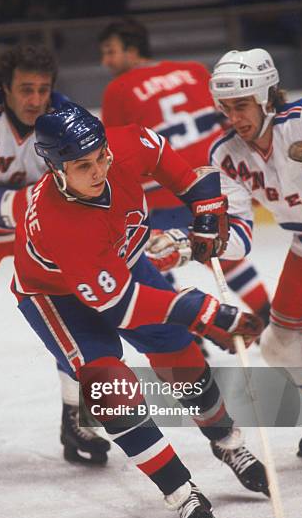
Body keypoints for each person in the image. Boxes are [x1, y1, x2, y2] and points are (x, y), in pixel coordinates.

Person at [11, 101, 269, 518]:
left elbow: (176, 167)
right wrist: (203, 311)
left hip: (123, 265)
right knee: (112, 389)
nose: (99, 171)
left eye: (102, 157)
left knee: (181, 358)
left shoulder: (124, 144)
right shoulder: (59, 224)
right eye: (83, 166)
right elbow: (121, 307)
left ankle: (228, 442)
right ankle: (181, 492)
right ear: (55, 170)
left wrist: (205, 210)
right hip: (59, 299)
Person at [0, 43, 110, 466]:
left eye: (43, 90)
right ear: (5, 89)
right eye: (25, 89)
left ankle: (77, 418)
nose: (35, 100)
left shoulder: (68, 118)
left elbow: (89, 180)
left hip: (40, 235)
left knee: (78, 317)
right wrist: (20, 203)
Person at [154, 48, 302, 457]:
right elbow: (236, 236)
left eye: (242, 106)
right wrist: (187, 245)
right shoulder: (226, 155)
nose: (234, 118)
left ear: (267, 96)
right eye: (226, 108)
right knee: (278, 348)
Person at [99, 18, 271, 327]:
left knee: (147, 265)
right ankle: (267, 315)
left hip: (166, 190)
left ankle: (188, 330)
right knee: (220, 251)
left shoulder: (118, 89)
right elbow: (225, 119)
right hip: (211, 181)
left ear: (132, 49)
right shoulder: (193, 70)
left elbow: (114, 151)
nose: (105, 61)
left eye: (111, 51)